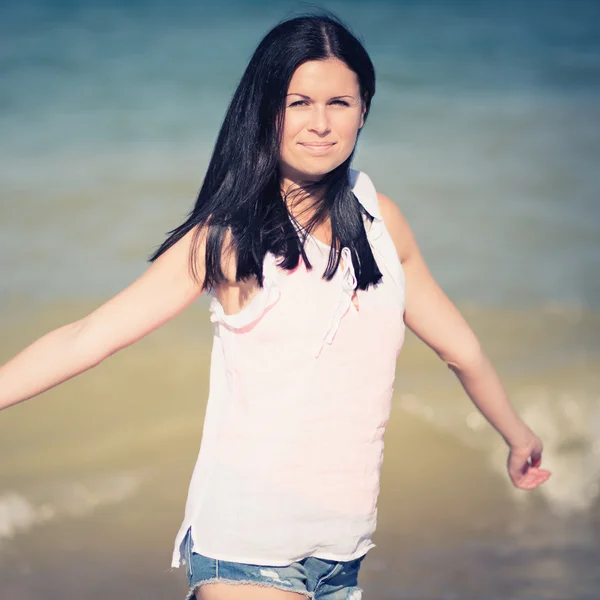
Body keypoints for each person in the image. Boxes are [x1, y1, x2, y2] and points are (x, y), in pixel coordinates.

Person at [0, 12, 551, 600]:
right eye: (298, 103)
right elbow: (89, 336)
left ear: (364, 109)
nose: (320, 123)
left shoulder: (380, 220)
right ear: (267, 111)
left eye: (339, 102)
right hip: (246, 551)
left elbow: (458, 348)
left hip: (342, 555)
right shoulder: (228, 236)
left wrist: (517, 436)